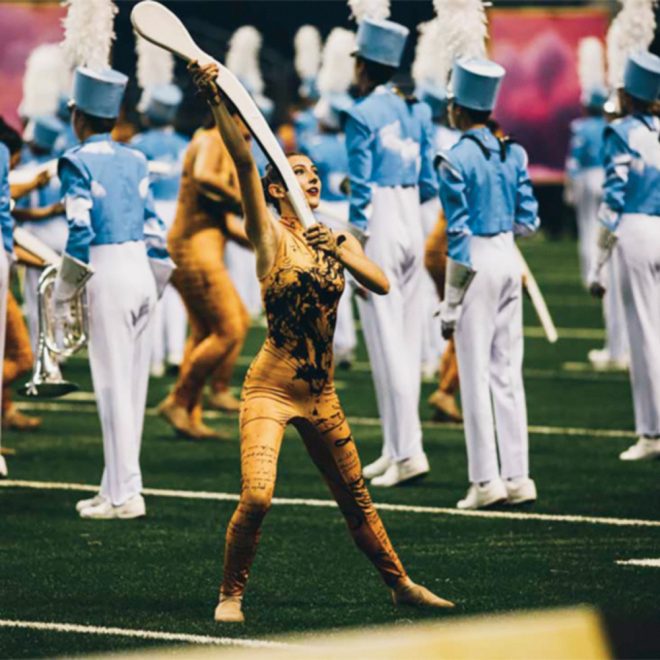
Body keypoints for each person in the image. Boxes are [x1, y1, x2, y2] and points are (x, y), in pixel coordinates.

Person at [189, 61, 454, 623]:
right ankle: (230, 595)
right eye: (297, 173)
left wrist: (341, 249)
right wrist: (218, 99)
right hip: (271, 388)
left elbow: (380, 282)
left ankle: (400, 584)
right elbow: (242, 158)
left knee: (357, 501)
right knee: (258, 495)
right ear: (276, 191)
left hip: (322, 393)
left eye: (312, 172)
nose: (310, 179)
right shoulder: (266, 234)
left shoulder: (329, 233)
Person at [54, 65, 170, 519]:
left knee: (111, 386)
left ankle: (124, 497)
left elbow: (79, 231)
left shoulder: (76, 160)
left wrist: (64, 294)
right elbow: (154, 227)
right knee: (132, 387)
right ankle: (117, 485)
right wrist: (157, 280)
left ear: (78, 115)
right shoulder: (137, 158)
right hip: (142, 267)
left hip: (107, 269)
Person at [437, 57, 540, 510]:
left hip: (475, 259)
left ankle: (485, 481)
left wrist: (451, 302)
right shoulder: (513, 152)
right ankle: (519, 477)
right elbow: (530, 220)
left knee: (475, 375)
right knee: (507, 372)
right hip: (507, 257)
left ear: (459, 108)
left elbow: (457, 235)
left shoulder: (453, 159)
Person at [345, 17, 438, 487]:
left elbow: (360, 189)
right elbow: (428, 183)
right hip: (410, 215)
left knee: (388, 343)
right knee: (400, 337)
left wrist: (355, 249)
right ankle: (393, 447)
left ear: (364, 66)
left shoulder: (361, 114)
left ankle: (408, 451)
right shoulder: (417, 111)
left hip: (379, 215)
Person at [158, 117, 251, 435]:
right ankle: (182, 399)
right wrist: (244, 199)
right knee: (229, 327)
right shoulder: (212, 139)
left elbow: (225, 222)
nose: (250, 133)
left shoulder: (219, 143)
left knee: (206, 332)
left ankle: (190, 413)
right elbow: (203, 177)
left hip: (199, 246)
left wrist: (268, 242)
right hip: (193, 248)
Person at [588, 51, 660, 461]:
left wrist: (598, 262)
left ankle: (651, 432)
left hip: (635, 229)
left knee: (644, 334)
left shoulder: (621, 132)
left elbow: (614, 196)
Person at [565, 82, 628, 370]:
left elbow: (575, 157)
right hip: (616, 185)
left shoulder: (587, 128)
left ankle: (592, 272)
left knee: (591, 230)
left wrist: (571, 185)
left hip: (595, 179)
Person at [131, 84, 190, 377]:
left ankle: (153, 358)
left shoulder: (138, 143)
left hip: (151, 218)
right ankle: (176, 352)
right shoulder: (185, 143)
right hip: (180, 216)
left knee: (151, 287)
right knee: (177, 288)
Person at [12, 115, 67, 351]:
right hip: (62, 232)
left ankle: (40, 348)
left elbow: (16, 210)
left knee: (37, 297)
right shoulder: (61, 166)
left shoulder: (23, 169)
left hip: (34, 234)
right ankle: (60, 346)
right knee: (60, 294)